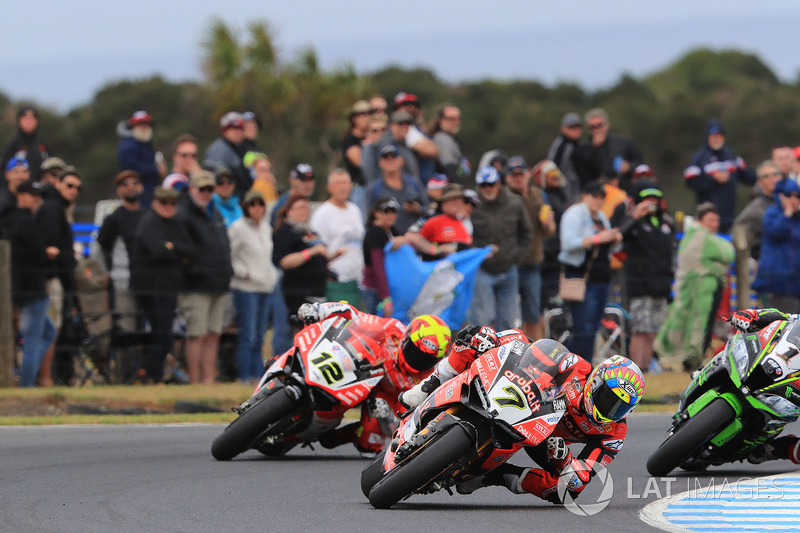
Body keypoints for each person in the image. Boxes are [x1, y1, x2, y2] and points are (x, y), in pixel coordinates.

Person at [401, 328, 643, 505]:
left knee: (566, 492)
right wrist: (493, 339)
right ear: (595, 381)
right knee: (477, 337)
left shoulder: (614, 434)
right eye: (607, 398)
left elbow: (583, 475)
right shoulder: (575, 367)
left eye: (619, 408)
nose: (609, 410)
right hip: (528, 406)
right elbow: (527, 347)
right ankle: (427, 387)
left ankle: (490, 477)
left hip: (546, 442)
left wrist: (566, 460)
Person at [297, 301, 452, 455]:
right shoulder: (392, 329)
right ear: (406, 338)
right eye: (416, 352)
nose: (419, 360)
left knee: (369, 442)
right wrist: (319, 310)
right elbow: (353, 314)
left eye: (427, 359)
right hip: (359, 370)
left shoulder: (428, 380)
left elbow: (407, 418)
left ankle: (334, 435)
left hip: (382, 398)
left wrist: (388, 417)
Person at [655, 202, 734, 371]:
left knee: (694, 325)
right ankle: (690, 360)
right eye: (710, 220)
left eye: (716, 220)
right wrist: (717, 265)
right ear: (699, 220)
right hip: (698, 292)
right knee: (697, 326)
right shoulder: (700, 236)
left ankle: (689, 359)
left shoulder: (695, 236)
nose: (714, 224)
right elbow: (728, 252)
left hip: (701, 291)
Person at [131, 186, 196, 383]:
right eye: (164, 203)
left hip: (167, 286)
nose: (168, 207)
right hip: (151, 288)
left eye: (172, 203)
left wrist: (172, 247)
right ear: (154, 203)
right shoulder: (149, 222)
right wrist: (175, 251)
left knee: (164, 332)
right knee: (160, 333)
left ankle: (155, 374)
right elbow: (158, 251)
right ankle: (152, 375)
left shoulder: (175, 224)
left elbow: (191, 250)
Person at [174, 171, 234, 384]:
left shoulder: (214, 213)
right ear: (192, 189)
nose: (206, 193)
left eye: (210, 189)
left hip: (217, 282)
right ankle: (195, 380)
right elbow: (183, 250)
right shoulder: (183, 214)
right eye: (202, 189)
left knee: (213, 334)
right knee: (196, 334)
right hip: (195, 285)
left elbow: (223, 246)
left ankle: (209, 378)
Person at [724, 307, 800, 465]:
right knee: (746, 337)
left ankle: (774, 449)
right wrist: (754, 315)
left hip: (790, 390)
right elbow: (787, 318)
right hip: (777, 360)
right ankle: (709, 371)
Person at [228, 190, 289, 382]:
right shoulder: (237, 228)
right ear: (246, 207)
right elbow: (229, 256)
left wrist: (271, 277)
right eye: (253, 204)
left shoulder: (264, 227)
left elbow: (267, 257)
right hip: (246, 288)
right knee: (249, 335)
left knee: (261, 336)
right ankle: (245, 376)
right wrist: (244, 273)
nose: (257, 208)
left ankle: (258, 377)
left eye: (260, 204)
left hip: (265, 287)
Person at [558, 181, 622, 361]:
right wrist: (597, 238)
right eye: (595, 197)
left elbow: (610, 248)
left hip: (601, 278)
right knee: (583, 328)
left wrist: (614, 239)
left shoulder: (601, 216)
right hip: (582, 278)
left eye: (602, 198)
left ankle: (585, 367)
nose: (599, 202)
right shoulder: (574, 214)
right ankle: (568, 364)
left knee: (593, 328)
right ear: (585, 196)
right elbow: (568, 243)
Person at [618, 180, 675, 371]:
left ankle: (647, 369)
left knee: (653, 331)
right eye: (647, 199)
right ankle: (635, 368)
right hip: (640, 286)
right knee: (640, 330)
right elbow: (619, 236)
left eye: (655, 198)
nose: (652, 202)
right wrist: (635, 216)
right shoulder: (633, 223)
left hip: (661, 286)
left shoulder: (666, 224)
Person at [470, 166, 533, 332]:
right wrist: (476, 256)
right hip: (483, 270)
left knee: (507, 320)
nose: (487, 188)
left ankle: (503, 355)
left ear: (498, 183)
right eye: (483, 185)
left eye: (491, 184)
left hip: (509, 269)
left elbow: (526, 232)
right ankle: (480, 355)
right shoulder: (472, 206)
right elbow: (465, 236)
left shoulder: (514, 202)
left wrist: (517, 257)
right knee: (481, 320)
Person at [7, 179, 57, 387]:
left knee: (47, 333)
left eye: (38, 196)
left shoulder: (16, 220)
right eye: (32, 195)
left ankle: (28, 376)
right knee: (33, 340)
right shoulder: (26, 222)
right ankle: (26, 384)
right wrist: (48, 253)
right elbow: (38, 255)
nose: (37, 200)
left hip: (22, 288)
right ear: (20, 196)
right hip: (32, 290)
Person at [96, 170, 145, 378]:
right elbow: (99, 248)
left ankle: (143, 373)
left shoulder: (147, 215)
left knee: (144, 331)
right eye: (125, 184)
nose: (131, 187)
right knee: (126, 329)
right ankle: (124, 375)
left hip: (147, 282)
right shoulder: (114, 219)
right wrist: (106, 275)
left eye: (135, 182)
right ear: (119, 190)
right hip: (123, 281)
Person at [36, 168, 81, 385]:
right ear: (58, 185)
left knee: (53, 327)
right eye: (69, 186)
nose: (74, 191)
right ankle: (46, 378)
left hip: (56, 277)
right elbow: (52, 248)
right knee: (52, 328)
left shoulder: (58, 208)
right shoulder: (53, 209)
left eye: (77, 188)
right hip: (52, 278)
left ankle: (49, 375)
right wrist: (66, 262)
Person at [506, 156, 556, 341]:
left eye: (521, 174)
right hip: (510, 263)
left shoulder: (538, 194)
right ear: (508, 178)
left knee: (533, 313)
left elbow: (549, 231)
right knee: (508, 314)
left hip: (533, 262)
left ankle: (531, 353)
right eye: (514, 175)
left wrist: (548, 224)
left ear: (528, 174)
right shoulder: (504, 196)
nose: (518, 178)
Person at [684, 119, 757, 233]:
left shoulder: (731, 154)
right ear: (707, 137)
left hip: (729, 216)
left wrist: (763, 176)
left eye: (719, 135)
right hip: (707, 218)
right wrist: (712, 179)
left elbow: (747, 175)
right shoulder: (699, 157)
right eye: (713, 136)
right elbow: (690, 182)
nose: (716, 139)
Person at [272, 194, 332, 320]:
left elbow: (320, 258)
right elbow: (284, 262)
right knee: (299, 332)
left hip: (318, 291)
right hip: (297, 291)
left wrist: (334, 255)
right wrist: (311, 252)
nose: (303, 211)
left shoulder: (309, 232)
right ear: (289, 211)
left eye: (306, 208)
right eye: (299, 208)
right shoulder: (285, 232)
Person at [310, 169, 364, 307]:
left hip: (357, 281)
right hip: (336, 283)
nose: (342, 187)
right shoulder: (322, 213)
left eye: (345, 182)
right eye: (338, 183)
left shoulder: (355, 210)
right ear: (329, 187)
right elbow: (317, 248)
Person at [752, 178, 800, 312]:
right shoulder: (772, 214)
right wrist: (787, 214)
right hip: (776, 285)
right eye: (789, 195)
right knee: (784, 326)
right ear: (780, 196)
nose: (793, 200)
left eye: (797, 196)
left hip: (796, 285)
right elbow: (777, 232)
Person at [366, 144, 428, 234]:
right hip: (388, 239)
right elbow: (369, 220)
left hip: (415, 237)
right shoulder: (374, 188)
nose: (390, 161)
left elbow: (428, 211)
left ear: (401, 161)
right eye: (386, 158)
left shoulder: (414, 183)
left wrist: (418, 210)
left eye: (393, 157)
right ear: (380, 163)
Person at [580, 108, 643, 194]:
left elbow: (640, 162)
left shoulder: (622, 142)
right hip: (599, 193)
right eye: (592, 127)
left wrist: (629, 166)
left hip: (624, 189)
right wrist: (594, 148)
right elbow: (584, 171)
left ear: (607, 125)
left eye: (599, 125)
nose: (596, 129)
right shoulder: (585, 147)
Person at [361, 197, 406, 316]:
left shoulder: (392, 231)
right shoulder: (375, 233)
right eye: (386, 211)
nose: (390, 215)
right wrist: (386, 298)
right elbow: (378, 266)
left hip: (386, 288)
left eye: (393, 211)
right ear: (377, 213)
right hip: (375, 290)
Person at [733, 160, 783, 261]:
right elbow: (739, 240)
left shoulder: (789, 200)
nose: (772, 179)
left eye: (775, 174)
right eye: (766, 176)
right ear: (760, 183)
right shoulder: (755, 210)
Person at [117, 111, 166, 206]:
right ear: (133, 127)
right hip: (139, 195)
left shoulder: (145, 142)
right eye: (140, 124)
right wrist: (157, 170)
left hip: (150, 192)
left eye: (146, 124)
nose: (144, 127)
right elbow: (133, 169)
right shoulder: (128, 146)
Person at [392, 92, 439, 184]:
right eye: (405, 104)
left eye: (414, 104)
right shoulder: (404, 129)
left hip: (423, 184)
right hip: (407, 185)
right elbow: (432, 151)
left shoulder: (418, 129)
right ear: (396, 109)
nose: (410, 107)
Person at [204, 111, 249, 199]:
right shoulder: (218, 149)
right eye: (234, 128)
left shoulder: (238, 148)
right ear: (224, 131)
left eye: (241, 128)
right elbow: (217, 180)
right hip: (225, 201)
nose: (238, 132)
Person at [1, 106, 49, 182]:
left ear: (37, 121)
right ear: (19, 121)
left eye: (32, 118)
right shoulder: (13, 143)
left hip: (39, 186)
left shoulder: (42, 143)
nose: (29, 121)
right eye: (25, 117)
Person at [547, 112, 585, 204]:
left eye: (577, 127)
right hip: (565, 192)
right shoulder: (561, 145)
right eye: (571, 127)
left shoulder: (575, 144)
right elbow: (553, 168)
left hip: (575, 190)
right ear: (563, 129)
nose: (575, 130)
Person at [431, 104, 468, 184]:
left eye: (458, 118)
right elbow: (449, 169)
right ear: (441, 121)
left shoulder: (451, 139)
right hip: (445, 187)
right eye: (452, 119)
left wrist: (463, 169)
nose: (457, 122)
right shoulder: (443, 139)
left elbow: (460, 172)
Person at [270, 163, 315, 227]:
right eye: (303, 180)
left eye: (310, 180)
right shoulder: (283, 205)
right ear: (292, 180)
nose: (308, 184)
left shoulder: (305, 202)